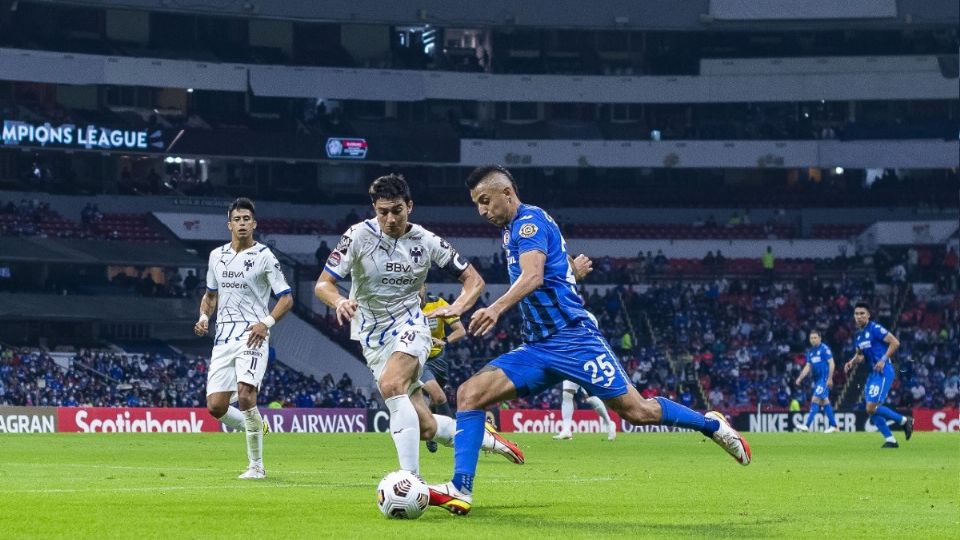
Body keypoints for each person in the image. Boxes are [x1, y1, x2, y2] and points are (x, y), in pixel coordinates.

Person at [428, 166, 751, 516]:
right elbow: (550, 270)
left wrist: (495, 308)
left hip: (575, 342)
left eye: (486, 201)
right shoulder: (513, 231)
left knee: (637, 412)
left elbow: (533, 274)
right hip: (537, 347)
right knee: (469, 395)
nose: (482, 211)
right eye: (477, 204)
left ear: (507, 193)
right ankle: (461, 489)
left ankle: (712, 425)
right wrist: (570, 271)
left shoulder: (527, 223)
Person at [313, 173, 523, 475]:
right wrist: (340, 301)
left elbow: (474, 280)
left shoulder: (426, 241)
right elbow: (323, 285)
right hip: (371, 336)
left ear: (409, 206)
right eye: (382, 212)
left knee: (391, 384)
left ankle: (410, 481)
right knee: (424, 426)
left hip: (411, 325)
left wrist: (458, 307)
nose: (390, 219)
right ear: (374, 209)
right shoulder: (357, 236)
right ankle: (485, 438)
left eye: (396, 210)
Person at [194, 197, 293, 479]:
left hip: (252, 335)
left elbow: (286, 298)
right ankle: (256, 425)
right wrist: (203, 318)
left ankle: (256, 467)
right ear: (229, 224)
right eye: (237, 219)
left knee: (247, 395)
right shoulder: (217, 256)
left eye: (246, 219)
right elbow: (210, 295)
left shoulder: (264, 256)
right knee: (216, 406)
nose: (242, 224)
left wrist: (266, 322)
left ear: (254, 224)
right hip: (223, 336)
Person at [843, 302, 914, 448]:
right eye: (856, 314)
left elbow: (895, 342)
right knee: (871, 409)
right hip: (873, 373)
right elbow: (860, 356)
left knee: (871, 407)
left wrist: (882, 359)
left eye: (862, 313)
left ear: (868, 315)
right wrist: (851, 362)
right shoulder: (859, 336)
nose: (859, 316)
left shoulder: (875, 328)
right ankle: (891, 440)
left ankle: (904, 421)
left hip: (884, 370)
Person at [419, 284, 467, 453]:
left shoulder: (439, 304)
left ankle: (430, 432)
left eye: (419, 286)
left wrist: (445, 340)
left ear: (425, 287)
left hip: (439, 359)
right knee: (438, 396)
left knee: (433, 400)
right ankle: (457, 436)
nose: (416, 290)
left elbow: (460, 331)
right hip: (418, 360)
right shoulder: (405, 309)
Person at [794, 329, 838, 433]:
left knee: (815, 399)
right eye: (811, 338)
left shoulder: (824, 349)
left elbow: (832, 363)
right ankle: (834, 426)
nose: (813, 340)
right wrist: (800, 378)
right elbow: (808, 366)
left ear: (820, 338)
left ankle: (807, 425)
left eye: (815, 338)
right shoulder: (811, 352)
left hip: (825, 379)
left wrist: (830, 378)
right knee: (824, 401)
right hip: (818, 380)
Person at [553, 380, 617, 441]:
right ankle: (566, 430)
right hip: (572, 368)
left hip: (584, 369)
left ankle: (609, 423)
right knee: (567, 394)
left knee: (590, 397)